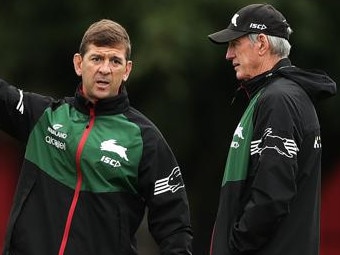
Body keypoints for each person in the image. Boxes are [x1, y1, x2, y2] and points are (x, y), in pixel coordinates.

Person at [0, 19, 193, 255]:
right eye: (96, 58)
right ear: (78, 64)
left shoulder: (145, 140)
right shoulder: (45, 117)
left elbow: (175, 227)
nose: (105, 69)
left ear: (127, 70)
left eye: (115, 61)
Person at [208, 3, 336, 255]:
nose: (228, 55)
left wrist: (236, 246)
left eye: (235, 44)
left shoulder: (278, 99)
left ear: (262, 43)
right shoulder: (278, 95)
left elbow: (272, 194)